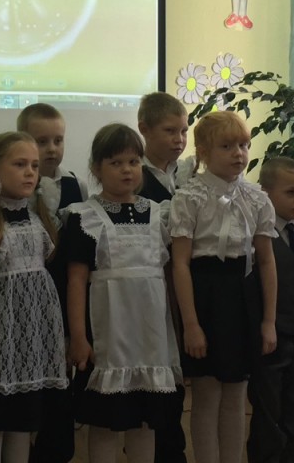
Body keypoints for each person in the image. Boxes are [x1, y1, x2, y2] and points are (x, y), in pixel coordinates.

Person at [63, 123, 182, 463]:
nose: (126, 170)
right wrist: (78, 337)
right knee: (104, 422)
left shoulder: (159, 214)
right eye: (115, 163)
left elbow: (168, 277)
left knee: (146, 421)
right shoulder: (85, 218)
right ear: (97, 168)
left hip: (151, 339)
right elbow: (76, 281)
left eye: (133, 161)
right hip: (108, 337)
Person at [170, 110, 278, 463]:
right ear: (203, 151)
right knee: (206, 396)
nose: (238, 154)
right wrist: (191, 324)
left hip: (243, 298)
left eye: (244, 145)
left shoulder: (256, 198)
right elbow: (181, 264)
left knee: (236, 396)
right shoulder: (190, 197)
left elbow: (266, 262)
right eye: (227, 146)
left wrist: (268, 321)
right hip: (205, 299)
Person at [0, 131, 69, 463]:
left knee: (24, 426)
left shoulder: (42, 222)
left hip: (32, 344)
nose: (29, 173)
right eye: (20, 164)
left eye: (34, 166)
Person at [16, 102, 84, 463]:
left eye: (58, 140)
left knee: (60, 388)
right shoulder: (14, 188)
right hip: (24, 303)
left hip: (62, 300)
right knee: (26, 394)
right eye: (42, 141)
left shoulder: (76, 185)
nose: (52, 149)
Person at [247, 158, 294, 463]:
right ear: (265, 193)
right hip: (272, 338)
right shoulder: (257, 235)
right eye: (291, 192)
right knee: (269, 411)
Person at [136, 92, 189, 463]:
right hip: (149, 288)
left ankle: (171, 450)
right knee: (151, 378)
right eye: (170, 131)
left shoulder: (187, 176)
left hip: (181, 288)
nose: (179, 139)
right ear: (144, 129)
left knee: (175, 377)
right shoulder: (133, 177)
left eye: (184, 131)